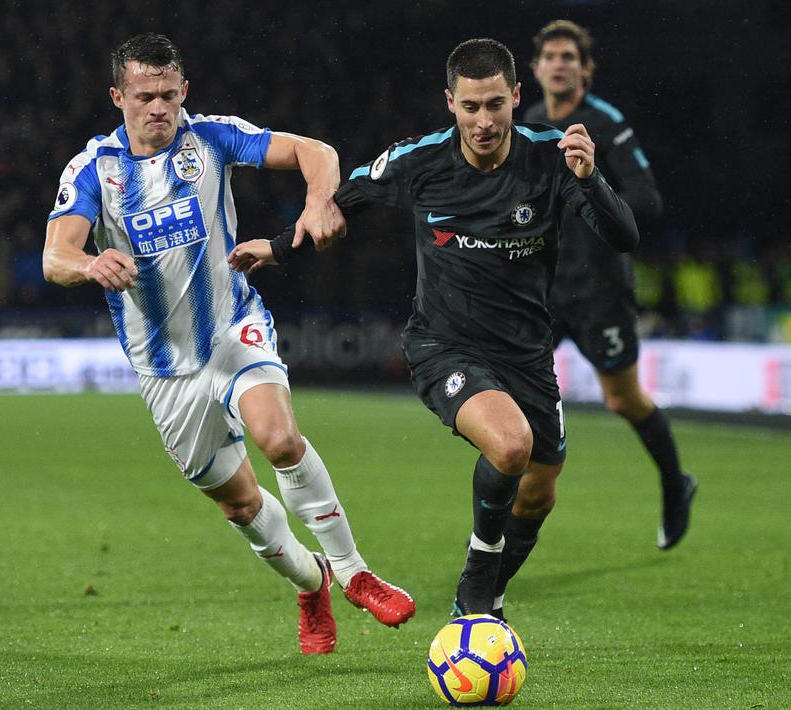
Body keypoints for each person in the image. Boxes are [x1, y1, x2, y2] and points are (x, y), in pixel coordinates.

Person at [230, 38, 639, 619]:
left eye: (496, 104)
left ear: (517, 98)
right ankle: (476, 587)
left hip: (526, 353)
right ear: (450, 102)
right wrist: (276, 247)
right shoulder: (418, 161)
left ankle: (489, 595)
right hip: (444, 346)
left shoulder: (552, 154)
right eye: (470, 106)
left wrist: (593, 178)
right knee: (511, 444)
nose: (484, 121)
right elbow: (336, 209)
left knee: (541, 489)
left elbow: (625, 238)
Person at [42, 33, 415, 653]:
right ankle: (311, 582)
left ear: (184, 91)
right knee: (241, 506)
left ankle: (353, 571)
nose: (158, 107)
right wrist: (88, 265)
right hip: (165, 370)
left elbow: (315, 151)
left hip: (232, 328)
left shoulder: (210, 136)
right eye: (144, 97)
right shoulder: (93, 171)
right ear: (118, 98)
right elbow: (56, 254)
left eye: (168, 94)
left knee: (278, 437)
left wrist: (318, 202)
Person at [523, 19, 697, 550]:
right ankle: (509, 517)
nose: (559, 63)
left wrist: (590, 182)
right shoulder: (529, 122)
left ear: (585, 69)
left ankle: (675, 482)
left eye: (569, 56)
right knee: (512, 395)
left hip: (600, 288)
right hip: (544, 288)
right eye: (550, 55)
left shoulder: (605, 123)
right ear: (535, 69)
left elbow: (647, 201)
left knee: (622, 400)